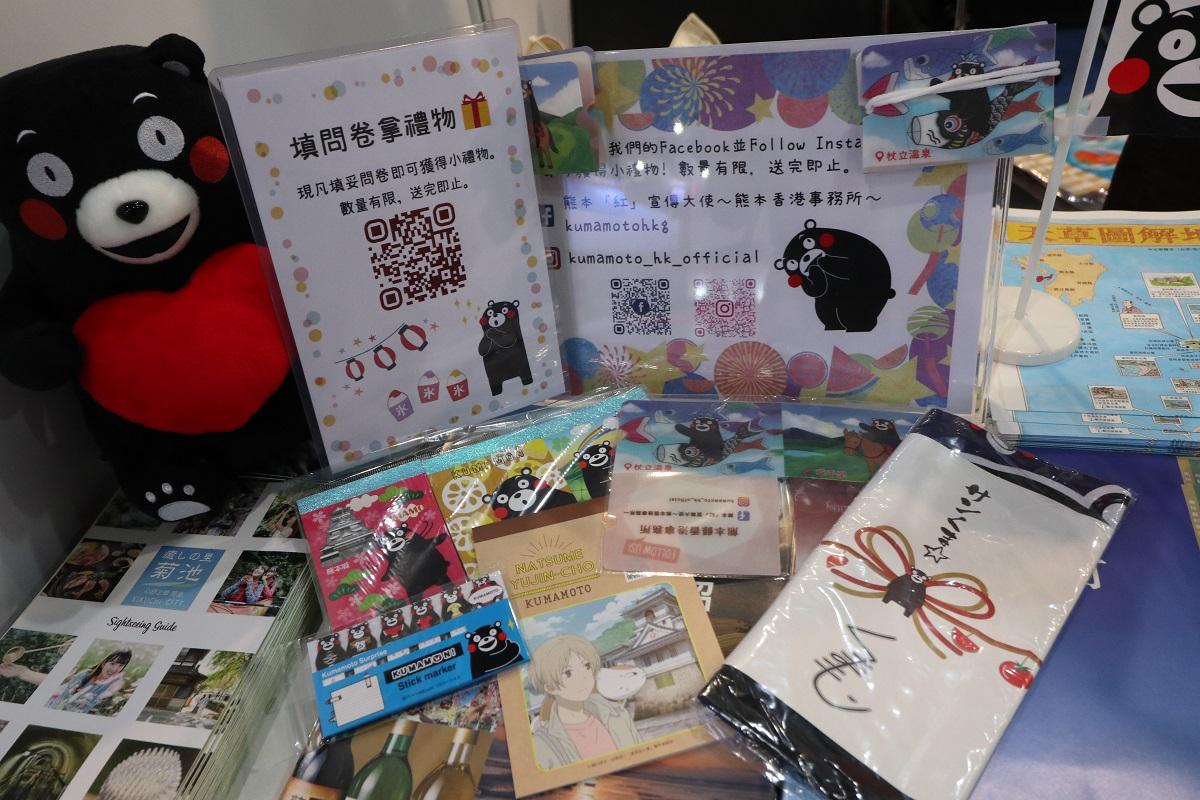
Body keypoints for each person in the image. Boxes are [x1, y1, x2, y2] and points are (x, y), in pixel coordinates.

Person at [528, 635, 640, 769]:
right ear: (550, 687)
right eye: (568, 673)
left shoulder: (618, 716)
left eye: (586, 666)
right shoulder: (543, 742)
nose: (584, 677)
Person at [45, 649, 131, 714]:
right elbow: (62, 697)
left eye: (120, 665)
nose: (115, 669)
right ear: (104, 663)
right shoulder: (85, 675)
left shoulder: (111, 688)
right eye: (112, 663)